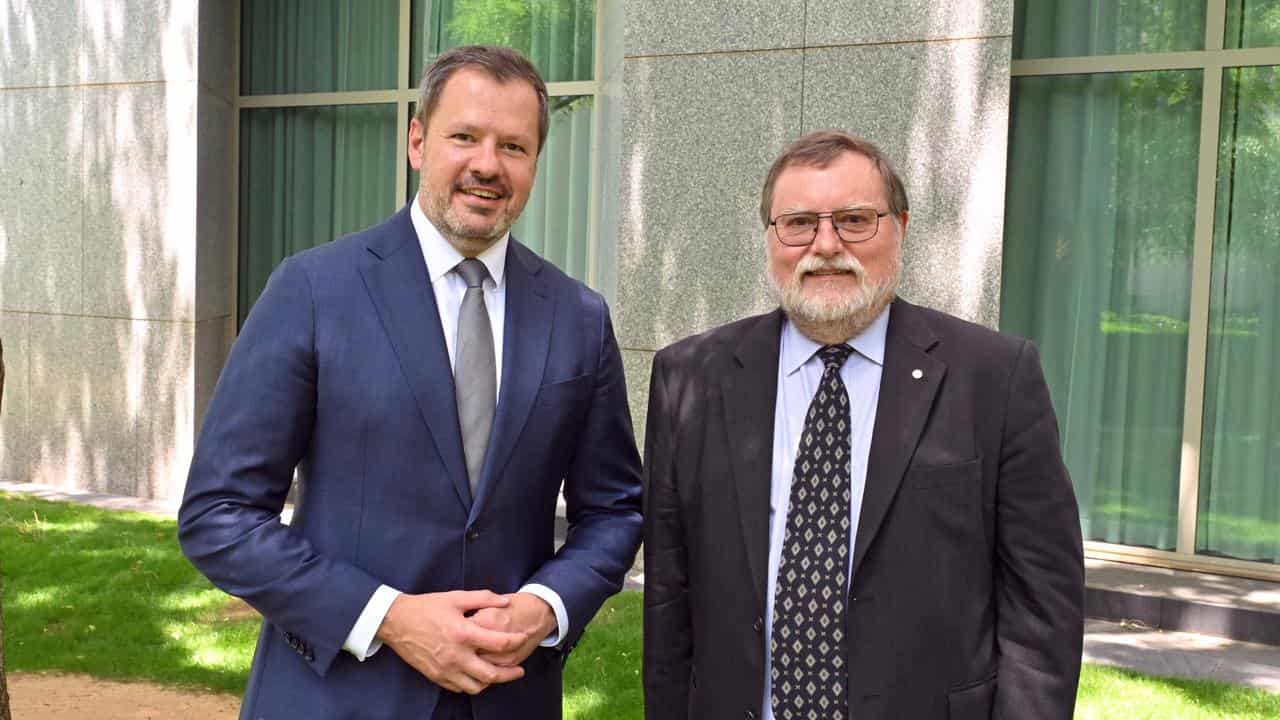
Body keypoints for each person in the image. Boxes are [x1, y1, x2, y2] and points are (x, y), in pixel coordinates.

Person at [179, 45, 642, 720]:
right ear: (418, 140)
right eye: (465, 137)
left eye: (513, 146)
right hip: (337, 697)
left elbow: (614, 510)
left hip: (507, 697)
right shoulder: (313, 290)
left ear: (536, 163)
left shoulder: (579, 317)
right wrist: (389, 617)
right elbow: (218, 515)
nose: (488, 164)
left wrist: (546, 608)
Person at [641, 130, 1084, 720]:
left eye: (854, 220)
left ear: (900, 227)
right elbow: (669, 600)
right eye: (798, 223)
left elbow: (1043, 604)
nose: (825, 245)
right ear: (770, 238)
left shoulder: (995, 378)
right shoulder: (689, 378)